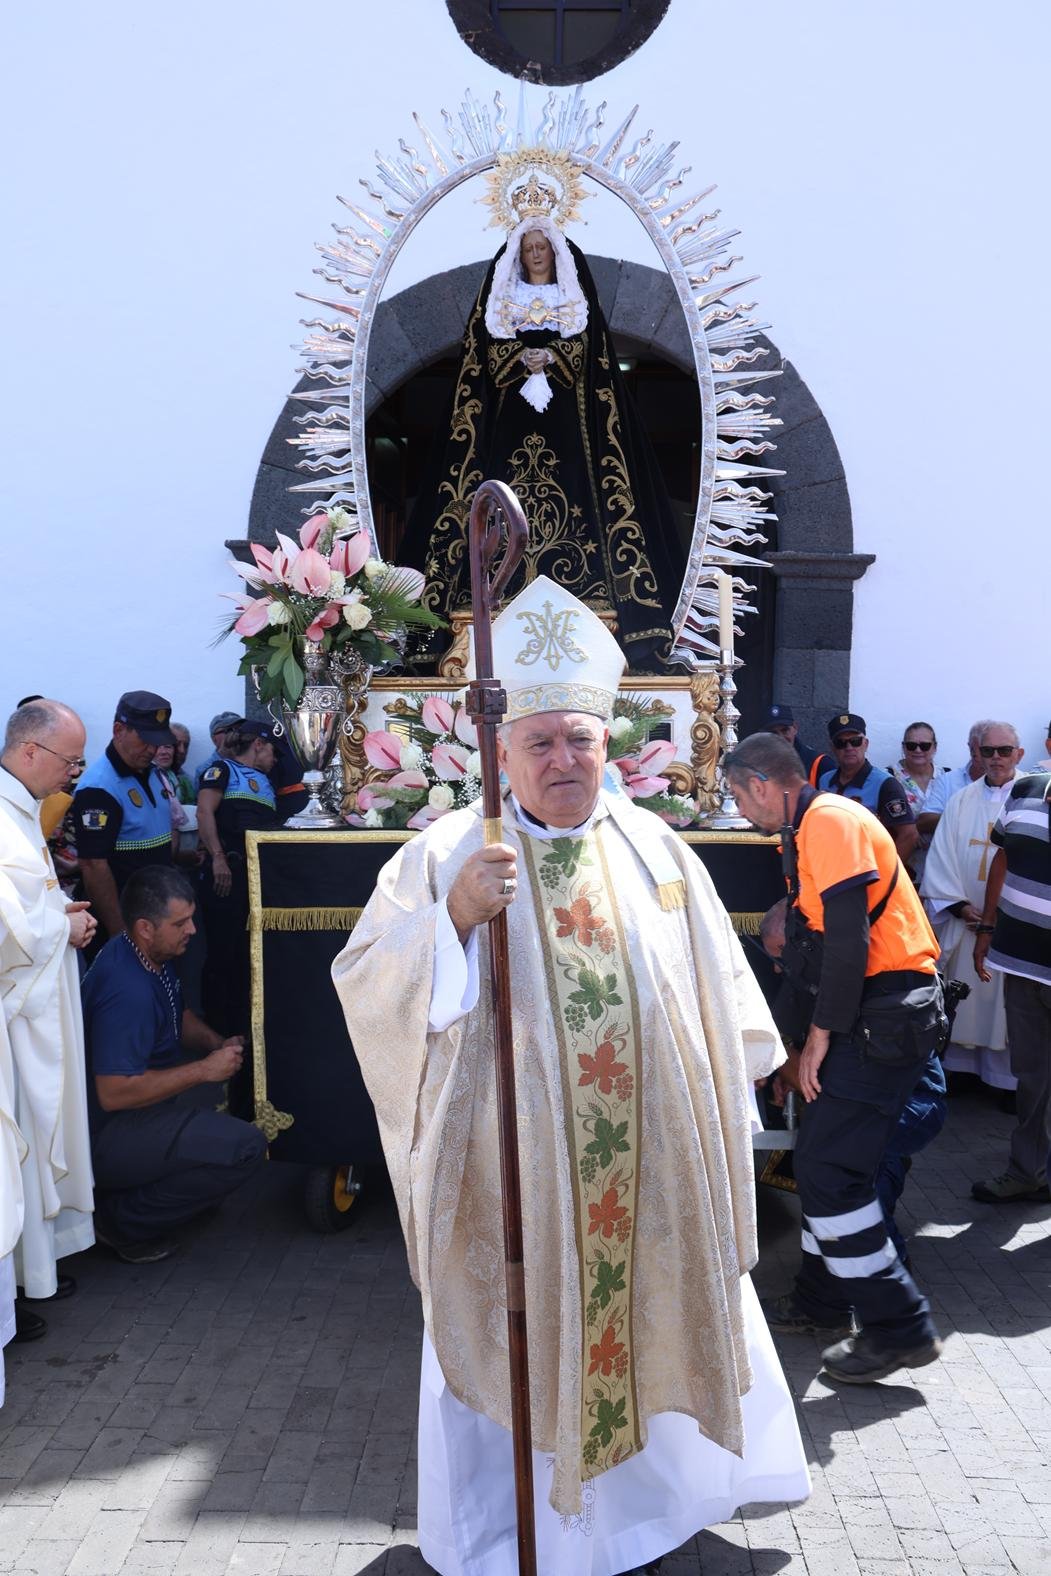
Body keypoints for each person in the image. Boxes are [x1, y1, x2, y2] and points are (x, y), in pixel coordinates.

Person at [332, 576, 809, 1576]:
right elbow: (366, 984)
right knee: (526, 1355)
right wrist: (454, 919)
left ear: (608, 745)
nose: (560, 759)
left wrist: (737, 1087)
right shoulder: (442, 855)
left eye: (577, 740)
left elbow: (717, 994)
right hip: (516, 1196)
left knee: (645, 1330)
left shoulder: (653, 848)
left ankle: (649, 1514)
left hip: (648, 1179)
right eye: (538, 742)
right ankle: (514, 1538)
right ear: (497, 754)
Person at [400, 172, 688, 669]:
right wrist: (517, 361)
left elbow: (591, 353)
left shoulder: (573, 302)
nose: (535, 254)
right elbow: (483, 360)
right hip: (505, 427)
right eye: (528, 248)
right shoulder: (500, 302)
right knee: (489, 496)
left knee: (584, 492)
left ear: (556, 253)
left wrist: (555, 357)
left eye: (542, 247)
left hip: (571, 432)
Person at [724, 731, 944, 1383]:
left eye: (736, 795)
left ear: (763, 783)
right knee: (821, 1159)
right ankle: (825, 1303)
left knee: (828, 1169)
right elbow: (807, 953)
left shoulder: (830, 820)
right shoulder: (803, 832)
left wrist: (816, 1037)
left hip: (884, 1013)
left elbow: (847, 943)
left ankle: (898, 1328)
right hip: (866, 1014)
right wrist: (786, 1049)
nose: (738, 810)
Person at [81, 866, 266, 1262]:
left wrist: (216, 1043)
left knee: (213, 1146)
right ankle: (120, 1222)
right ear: (146, 927)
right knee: (246, 1147)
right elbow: (114, 1092)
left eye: (191, 918)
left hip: (132, 1120)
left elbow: (175, 1014)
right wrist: (204, 1071)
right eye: (180, 923)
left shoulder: (141, 951)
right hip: (107, 1135)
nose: (193, 930)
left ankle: (153, 1196)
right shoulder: (126, 992)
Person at [759, 897, 947, 1268]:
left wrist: (784, 1062)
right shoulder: (813, 974)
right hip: (886, 1102)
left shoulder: (850, 982)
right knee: (854, 1167)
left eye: (781, 954)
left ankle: (883, 1275)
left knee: (847, 1176)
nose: (779, 970)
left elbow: (807, 1075)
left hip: (915, 1102)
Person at [0, 701, 96, 1333]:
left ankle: (36, 1273)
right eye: (70, 760)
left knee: (36, 1140)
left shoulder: (22, 809)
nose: (75, 774)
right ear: (31, 752)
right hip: (15, 1022)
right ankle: (18, 1286)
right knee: (22, 1142)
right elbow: (9, 931)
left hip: (37, 1009)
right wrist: (63, 925)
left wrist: (60, 914)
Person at [921, 721, 1026, 1091]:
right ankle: (963, 1073)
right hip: (967, 923)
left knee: (1011, 1008)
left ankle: (1007, 1083)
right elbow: (942, 857)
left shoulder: (1033, 796)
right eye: (988, 751)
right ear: (976, 753)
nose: (995, 758)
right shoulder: (961, 800)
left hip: (1014, 926)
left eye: (1004, 751)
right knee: (963, 997)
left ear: (1019, 753)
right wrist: (961, 908)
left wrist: (1004, 915)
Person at [971, 769, 1051, 1202]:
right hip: (1022, 962)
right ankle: (1027, 1171)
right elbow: (1003, 858)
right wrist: (986, 927)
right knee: (1032, 1076)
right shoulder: (1024, 790)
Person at [72, 691, 178, 947]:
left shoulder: (153, 773)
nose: (152, 749)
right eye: (145, 740)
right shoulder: (99, 788)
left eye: (158, 741)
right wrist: (119, 931)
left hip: (155, 912)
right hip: (124, 920)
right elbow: (93, 865)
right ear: (118, 730)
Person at [196, 719, 281, 1037]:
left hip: (254, 879)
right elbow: (204, 813)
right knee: (222, 952)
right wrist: (217, 856)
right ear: (258, 744)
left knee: (245, 952)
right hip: (225, 873)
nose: (274, 758)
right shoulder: (221, 771)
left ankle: (243, 1024)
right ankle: (215, 1029)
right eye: (272, 749)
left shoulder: (265, 781)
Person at [819, 712, 919, 862]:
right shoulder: (825, 781)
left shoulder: (885, 784)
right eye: (841, 743)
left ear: (866, 744)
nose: (849, 747)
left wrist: (886, 875)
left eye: (855, 741)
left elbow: (909, 835)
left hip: (868, 874)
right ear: (833, 748)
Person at [887, 721, 951, 883]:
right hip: (903, 868)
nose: (917, 750)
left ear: (934, 747)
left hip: (942, 872)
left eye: (924, 746)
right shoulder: (888, 777)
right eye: (911, 745)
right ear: (903, 747)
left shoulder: (948, 778)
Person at [916, 718, 994, 841]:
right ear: (970, 748)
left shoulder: (1015, 782)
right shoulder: (947, 781)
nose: (992, 755)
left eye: (993, 749)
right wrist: (963, 816)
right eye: (982, 749)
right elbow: (924, 822)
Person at [760, 703, 828, 780]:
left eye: (785, 730)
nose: (780, 737)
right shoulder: (757, 764)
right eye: (773, 733)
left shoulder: (820, 764)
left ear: (795, 728)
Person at [193, 710, 241, 792]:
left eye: (239, 729)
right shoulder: (206, 769)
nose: (236, 734)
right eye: (229, 730)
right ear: (214, 738)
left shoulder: (253, 762)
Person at [169, 724, 195, 804]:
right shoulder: (151, 777)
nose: (182, 750)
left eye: (186, 745)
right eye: (177, 744)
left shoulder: (191, 782)